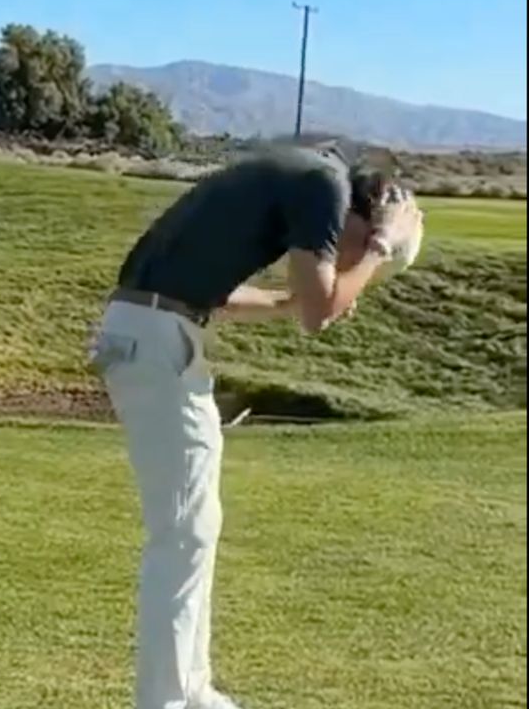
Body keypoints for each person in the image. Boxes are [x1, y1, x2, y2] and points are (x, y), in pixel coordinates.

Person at [88, 143, 423, 709]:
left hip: (155, 330)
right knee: (182, 532)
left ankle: (191, 689)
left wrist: (298, 299)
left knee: (197, 524)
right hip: (155, 338)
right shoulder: (326, 188)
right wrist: (381, 250)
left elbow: (223, 297)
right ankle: (165, 700)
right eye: (361, 248)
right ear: (366, 217)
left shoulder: (303, 175)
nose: (351, 262)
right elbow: (322, 316)